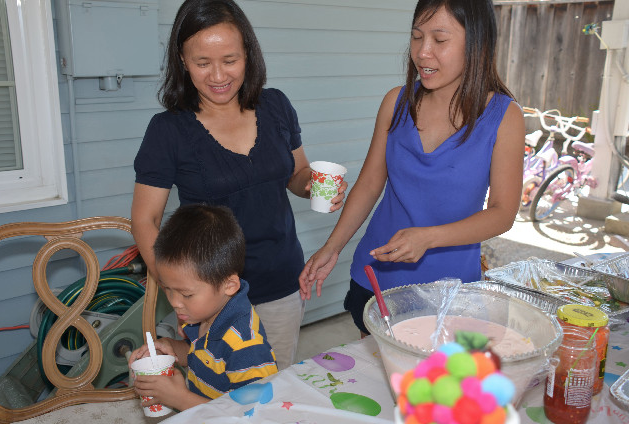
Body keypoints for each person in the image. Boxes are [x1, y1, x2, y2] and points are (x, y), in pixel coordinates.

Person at [131, 0, 346, 370]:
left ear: (248, 54)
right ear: (182, 60)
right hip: (211, 296)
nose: (218, 76)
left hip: (281, 280)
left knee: (274, 384)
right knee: (213, 386)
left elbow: (297, 174)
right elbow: (144, 221)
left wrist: (315, 185)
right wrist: (178, 290)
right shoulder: (168, 131)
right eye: (203, 63)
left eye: (230, 60)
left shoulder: (276, 106)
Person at [299, 0, 525, 335]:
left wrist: (428, 238)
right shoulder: (397, 101)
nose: (422, 52)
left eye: (440, 39)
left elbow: (503, 213)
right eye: (417, 37)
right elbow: (369, 184)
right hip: (376, 278)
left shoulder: (505, 117)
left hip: (449, 292)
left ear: (477, 44)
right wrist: (332, 247)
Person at [128, 204, 278, 410]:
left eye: (186, 294)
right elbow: (200, 354)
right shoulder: (201, 313)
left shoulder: (246, 347)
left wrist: (179, 398)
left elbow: (251, 414)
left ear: (229, 286)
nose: (174, 302)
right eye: (168, 289)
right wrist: (171, 348)